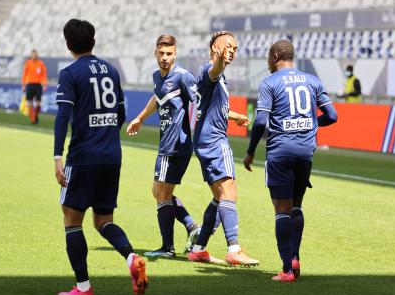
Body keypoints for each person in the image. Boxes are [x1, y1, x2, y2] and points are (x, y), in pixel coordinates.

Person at [54, 19, 147, 295]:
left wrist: (57, 156)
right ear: (93, 42)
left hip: (82, 157)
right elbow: (120, 114)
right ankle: (132, 259)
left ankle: (83, 287)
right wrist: (104, 137)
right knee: (103, 220)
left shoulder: (69, 73)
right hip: (111, 156)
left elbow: (62, 117)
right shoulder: (111, 70)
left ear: (68, 45)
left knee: (72, 220)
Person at [243, 40, 337, 282]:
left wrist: (251, 150)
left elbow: (261, 121)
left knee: (281, 210)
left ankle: (286, 269)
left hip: (280, 152)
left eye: (268, 56)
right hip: (305, 152)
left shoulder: (269, 83)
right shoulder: (312, 81)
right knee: (296, 206)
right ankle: (295, 257)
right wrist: (312, 124)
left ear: (275, 55)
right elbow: (333, 116)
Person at [187, 30, 259, 266]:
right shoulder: (209, 71)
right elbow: (213, 72)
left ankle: (198, 248)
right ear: (214, 48)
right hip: (215, 140)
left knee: (219, 197)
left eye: (235, 48)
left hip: (204, 139)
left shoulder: (216, 79)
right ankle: (234, 249)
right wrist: (220, 62)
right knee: (230, 192)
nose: (232, 51)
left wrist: (236, 115)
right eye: (227, 46)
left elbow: (213, 107)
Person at [126, 34, 201, 257]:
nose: (165, 57)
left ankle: (168, 248)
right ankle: (191, 226)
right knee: (158, 191)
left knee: (161, 194)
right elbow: (157, 98)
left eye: (169, 53)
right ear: (155, 54)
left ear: (175, 54)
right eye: (161, 53)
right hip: (167, 144)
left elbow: (201, 102)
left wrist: (223, 120)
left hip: (176, 144)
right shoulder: (158, 77)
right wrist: (140, 118)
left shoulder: (183, 77)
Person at [21, 49, 47, 124]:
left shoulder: (41, 64)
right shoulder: (28, 63)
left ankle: (35, 115)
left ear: (37, 55)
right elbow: (24, 75)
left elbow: (44, 75)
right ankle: (32, 119)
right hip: (29, 85)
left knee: (38, 104)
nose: (34, 56)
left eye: (35, 54)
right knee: (29, 103)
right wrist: (23, 85)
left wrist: (45, 85)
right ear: (31, 56)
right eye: (32, 55)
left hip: (38, 85)